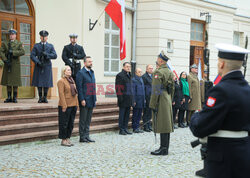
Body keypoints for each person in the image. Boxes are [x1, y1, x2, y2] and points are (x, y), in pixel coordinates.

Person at [190, 43, 250, 178]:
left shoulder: (221, 90)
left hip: (223, 159)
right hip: (244, 154)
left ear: (222, 64)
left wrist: (195, 116)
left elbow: (200, 127)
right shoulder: (247, 89)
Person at [150, 50, 175, 156]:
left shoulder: (158, 72)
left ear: (160, 61)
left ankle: (163, 148)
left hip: (160, 99)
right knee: (166, 124)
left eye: (157, 59)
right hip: (167, 98)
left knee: (162, 124)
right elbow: (172, 88)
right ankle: (165, 147)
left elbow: (156, 90)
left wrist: (152, 104)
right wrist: (170, 99)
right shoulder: (170, 72)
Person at [31, 30, 57, 103]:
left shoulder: (50, 46)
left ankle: (45, 97)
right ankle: (40, 97)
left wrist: (47, 55)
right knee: (39, 81)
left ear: (47, 37)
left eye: (45, 36)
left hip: (47, 65)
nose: (43, 38)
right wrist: (37, 62)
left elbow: (55, 55)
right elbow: (32, 55)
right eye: (42, 36)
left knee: (46, 82)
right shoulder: (36, 45)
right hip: (39, 64)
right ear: (40, 37)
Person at [0, 29, 25, 103]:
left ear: (15, 35)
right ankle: (8, 97)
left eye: (13, 34)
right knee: (8, 81)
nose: (11, 35)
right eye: (10, 34)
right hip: (8, 63)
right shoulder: (5, 43)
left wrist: (13, 52)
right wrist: (5, 60)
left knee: (15, 81)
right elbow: (1, 51)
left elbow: (22, 51)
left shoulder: (19, 43)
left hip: (15, 64)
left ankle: (14, 97)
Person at [76, 56, 96, 143]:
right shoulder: (81, 73)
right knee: (83, 119)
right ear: (84, 63)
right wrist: (82, 99)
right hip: (84, 100)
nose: (91, 63)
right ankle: (82, 137)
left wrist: (94, 98)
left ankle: (87, 135)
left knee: (88, 119)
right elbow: (79, 88)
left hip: (91, 98)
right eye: (89, 62)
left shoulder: (92, 72)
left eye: (91, 61)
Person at [57, 66, 78, 147]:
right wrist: (64, 105)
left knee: (70, 123)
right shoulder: (61, 81)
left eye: (70, 70)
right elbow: (61, 94)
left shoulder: (72, 80)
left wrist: (77, 104)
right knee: (64, 123)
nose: (70, 71)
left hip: (73, 105)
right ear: (64, 71)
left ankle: (68, 138)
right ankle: (63, 139)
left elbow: (75, 93)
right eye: (68, 70)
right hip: (65, 105)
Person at [115, 62, 133, 135]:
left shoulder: (130, 75)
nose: (128, 68)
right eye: (127, 66)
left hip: (129, 98)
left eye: (129, 67)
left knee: (127, 115)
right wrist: (120, 98)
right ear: (123, 67)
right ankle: (121, 129)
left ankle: (125, 128)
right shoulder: (120, 75)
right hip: (123, 98)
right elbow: (118, 88)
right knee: (122, 115)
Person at [132, 68, 145, 133]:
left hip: (141, 99)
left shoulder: (141, 79)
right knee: (135, 114)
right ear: (136, 73)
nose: (140, 73)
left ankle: (138, 127)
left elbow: (143, 90)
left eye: (141, 72)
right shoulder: (134, 80)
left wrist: (144, 99)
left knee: (139, 114)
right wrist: (134, 100)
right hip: (137, 100)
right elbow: (133, 91)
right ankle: (135, 127)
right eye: (139, 72)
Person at [142, 64, 153, 132]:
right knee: (146, 112)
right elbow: (143, 88)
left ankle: (149, 125)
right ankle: (145, 126)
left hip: (152, 97)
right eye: (149, 68)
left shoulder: (153, 76)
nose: (151, 69)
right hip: (147, 97)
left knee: (150, 112)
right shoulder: (144, 77)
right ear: (146, 69)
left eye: (152, 68)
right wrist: (145, 98)